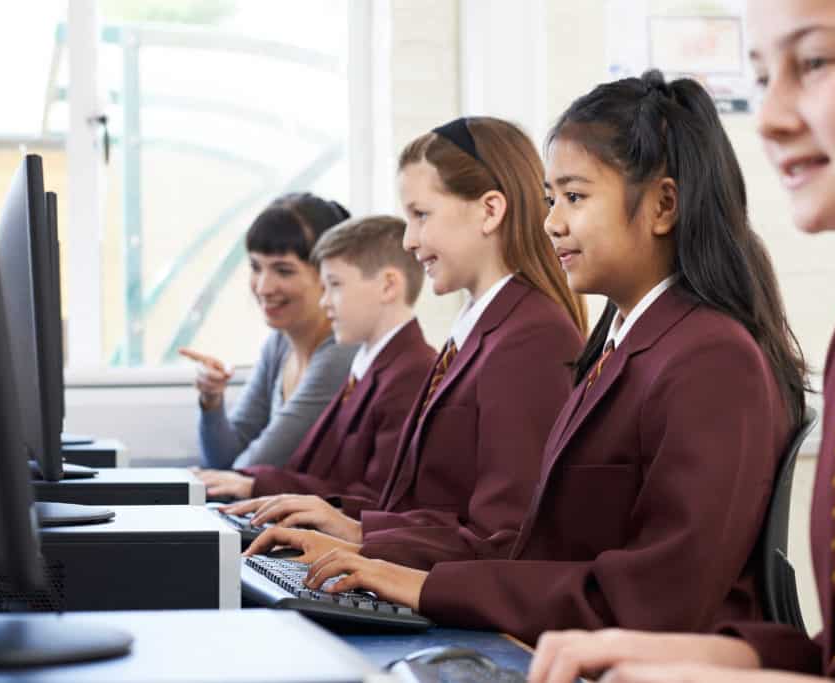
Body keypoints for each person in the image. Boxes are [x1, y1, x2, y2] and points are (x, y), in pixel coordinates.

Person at [248, 73, 807, 646]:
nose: (551, 222)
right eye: (549, 199)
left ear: (663, 205)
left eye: (575, 197)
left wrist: (417, 583)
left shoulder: (710, 358)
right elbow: (535, 544)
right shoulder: (623, 347)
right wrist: (381, 555)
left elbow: (658, 598)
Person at [523, 2, 835, 682]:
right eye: (762, 78)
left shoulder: (723, 353)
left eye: (814, 62)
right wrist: (737, 656)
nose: (768, 119)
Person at [242, 116, 587, 568]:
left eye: (421, 215)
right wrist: (355, 528)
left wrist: (365, 540)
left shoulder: (532, 336)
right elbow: (431, 506)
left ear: (489, 211)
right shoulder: (481, 330)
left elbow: (506, 536)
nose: (408, 240)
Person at [200, 215, 435, 509]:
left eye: (334, 285)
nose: (324, 302)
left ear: (388, 286)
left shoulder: (411, 373)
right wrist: (255, 485)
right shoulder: (368, 366)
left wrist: (257, 486)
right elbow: (329, 477)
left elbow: (377, 500)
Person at [185, 193, 356, 475]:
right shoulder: (279, 344)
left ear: (327, 272)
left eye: (283, 270)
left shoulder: (340, 353)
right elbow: (223, 460)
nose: (263, 287)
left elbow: (248, 469)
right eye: (255, 267)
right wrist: (211, 400)